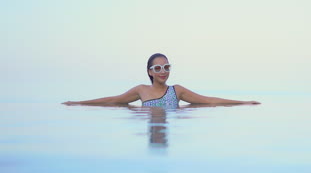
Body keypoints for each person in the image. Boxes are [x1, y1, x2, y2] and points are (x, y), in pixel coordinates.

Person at [63, 53, 260, 108]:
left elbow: (208, 100)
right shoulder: (141, 90)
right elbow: (113, 100)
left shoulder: (177, 90)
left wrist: (243, 102)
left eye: (167, 67)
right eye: (158, 68)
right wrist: (80, 103)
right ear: (150, 72)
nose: (163, 71)